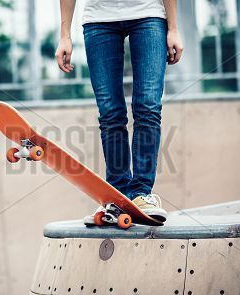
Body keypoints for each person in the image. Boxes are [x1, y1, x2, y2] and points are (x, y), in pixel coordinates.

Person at [56, 0, 183, 216]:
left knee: (148, 107)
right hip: (99, 19)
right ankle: (117, 194)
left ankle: (142, 193)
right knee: (110, 113)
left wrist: (173, 28)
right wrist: (65, 35)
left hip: (148, 14)